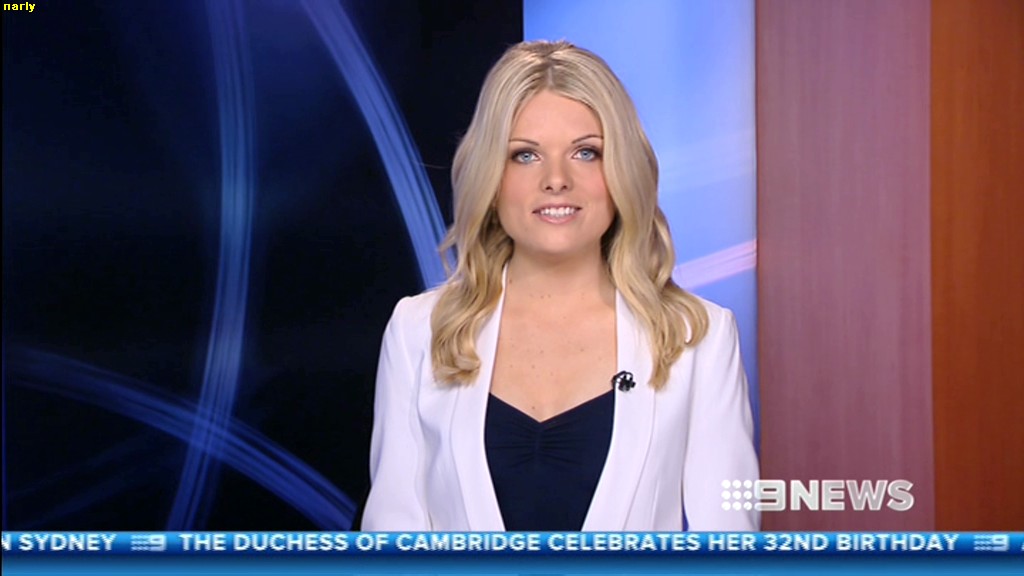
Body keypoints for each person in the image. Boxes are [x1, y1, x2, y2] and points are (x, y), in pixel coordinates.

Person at [362, 40, 758, 531]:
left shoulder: (698, 337)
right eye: (525, 155)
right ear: (491, 177)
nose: (556, 179)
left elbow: (727, 546)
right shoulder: (420, 330)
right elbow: (393, 540)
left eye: (586, 153)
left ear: (621, 171)